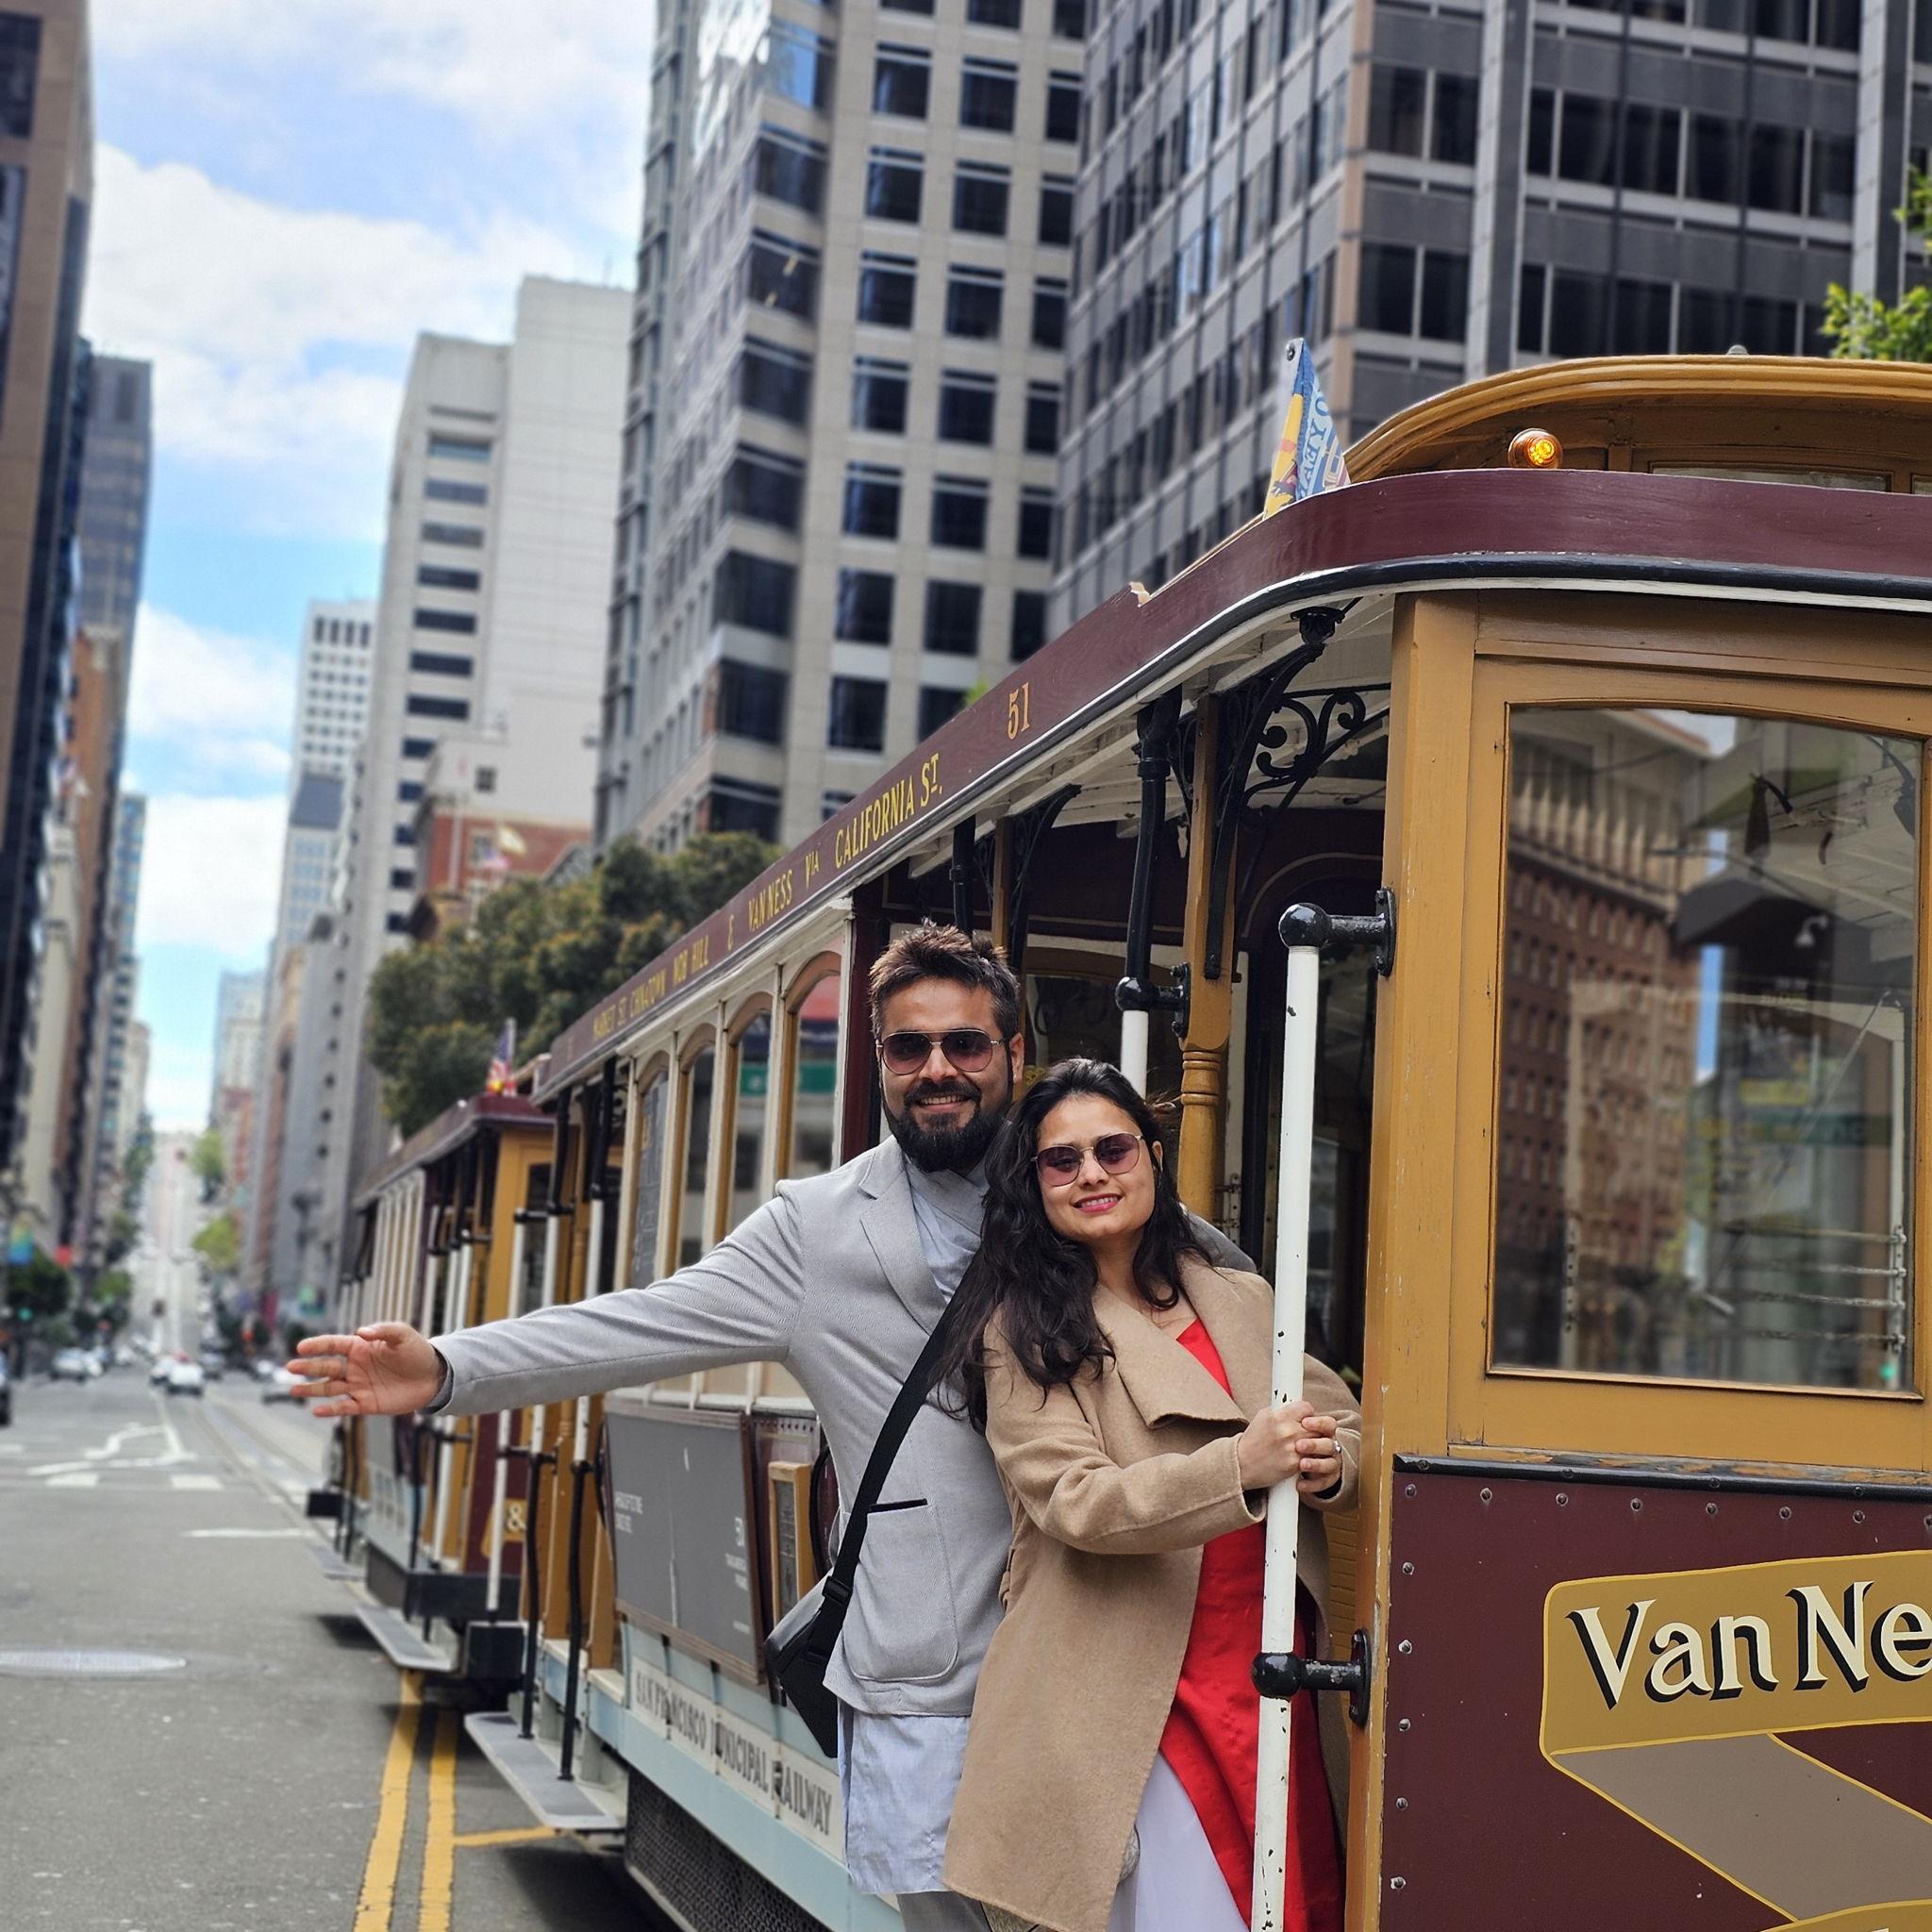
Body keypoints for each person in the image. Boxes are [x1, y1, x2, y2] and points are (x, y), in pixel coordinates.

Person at [288, 924, 1251, 1932]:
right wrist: (448, 1366)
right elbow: (642, 1319)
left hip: (1099, 1664)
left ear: (1013, 1056)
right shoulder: (817, 1228)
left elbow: (1232, 1314)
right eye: (906, 1046)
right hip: (929, 1674)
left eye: (964, 1044)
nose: (937, 1069)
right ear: (876, 1060)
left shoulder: (1084, 1177)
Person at [935, 1058, 1360, 1932]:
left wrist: (1326, 1462)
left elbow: (1344, 1418)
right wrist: (1243, 1465)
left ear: (1153, 1158)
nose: (1092, 1174)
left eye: (1113, 1149)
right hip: (1132, 1685)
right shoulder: (1018, 1329)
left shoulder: (1240, 1297)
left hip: (1271, 1659)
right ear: (1035, 1185)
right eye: (1062, 1162)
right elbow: (1077, 1502)